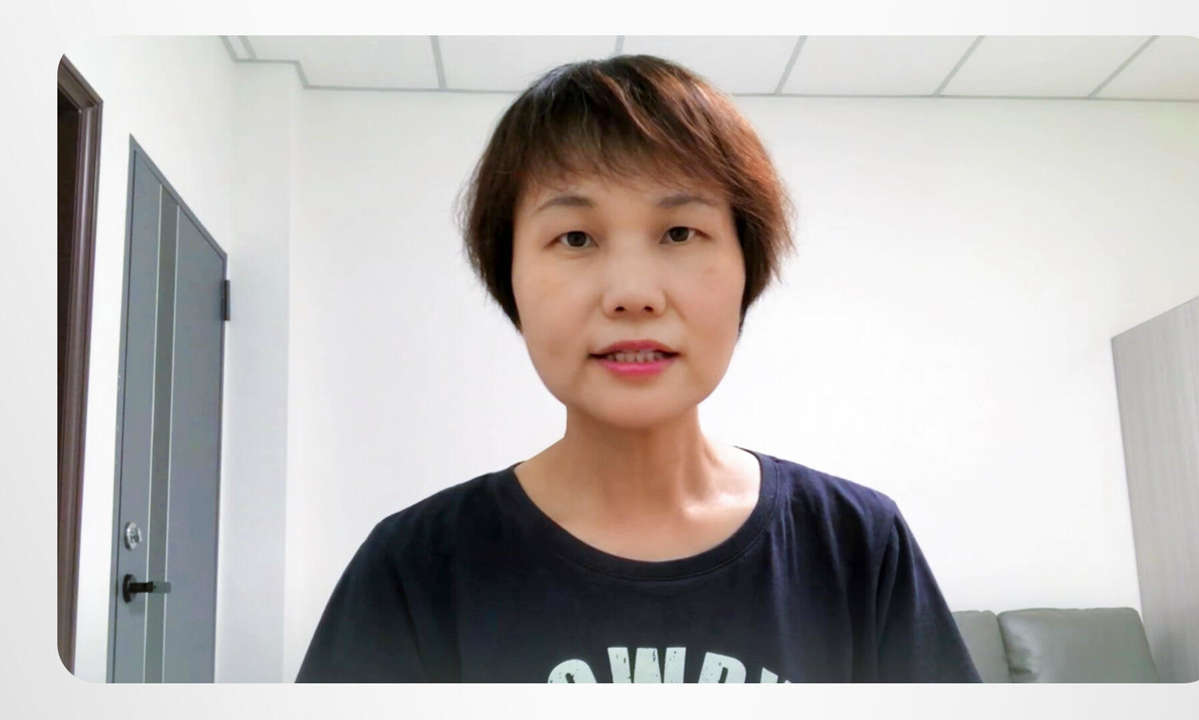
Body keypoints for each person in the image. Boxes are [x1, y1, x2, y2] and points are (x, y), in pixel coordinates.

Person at [295, 54, 980, 684]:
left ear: (746, 269)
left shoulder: (856, 545)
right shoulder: (414, 569)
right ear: (511, 281)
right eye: (575, 238)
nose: (632, 294)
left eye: (679, 233)